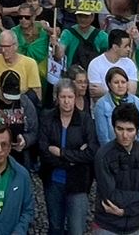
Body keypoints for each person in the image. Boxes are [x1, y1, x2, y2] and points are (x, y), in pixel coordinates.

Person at [93, 102, 139, 235]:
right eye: (120, 129)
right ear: (113, 128)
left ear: (137, 130)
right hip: (107, 225)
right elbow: (111, 195)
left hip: (136, 225)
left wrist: (125, 211)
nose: (124, 135)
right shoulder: (103, 155)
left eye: (130, 130)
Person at [39, 80, 96, 235]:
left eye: (70, 97)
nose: (66, 101)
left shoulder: (85, 120)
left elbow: (91, 152)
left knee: (76, 229)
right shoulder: (47, 118)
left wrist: (61, 153)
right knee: (55, 227)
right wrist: (73, 160)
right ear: (57, 97)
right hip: (53, 180)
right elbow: (43, 150)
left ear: (75, 97)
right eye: (63, 97)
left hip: (78, 182)